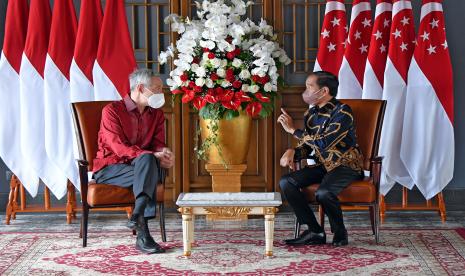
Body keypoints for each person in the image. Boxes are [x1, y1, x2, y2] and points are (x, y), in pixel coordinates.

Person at [277, 71, 364, 246]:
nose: (305, 91)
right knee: (287, 182)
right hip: (323, 165)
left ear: (323, 91)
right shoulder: (311, 115)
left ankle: (340, 233)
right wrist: (293, 152)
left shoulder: (343, 112)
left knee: (323, 193)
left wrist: (294, 131)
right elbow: (310, 146)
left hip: (346, 166)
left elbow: (325, 142)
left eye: (309, 86)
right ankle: (314, 231)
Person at [92, 68, 174, 254]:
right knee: (148, 161)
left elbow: (158, 144)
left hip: (140, 168)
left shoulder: (157, 114)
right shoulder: (111, 111)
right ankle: (143, 232)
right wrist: (151, 155)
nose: (161, 93)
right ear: (140, 88)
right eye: (157, 88)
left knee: (147, 161)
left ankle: (138, 218)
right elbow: (118, 147)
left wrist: (165, 152)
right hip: (111, 168)